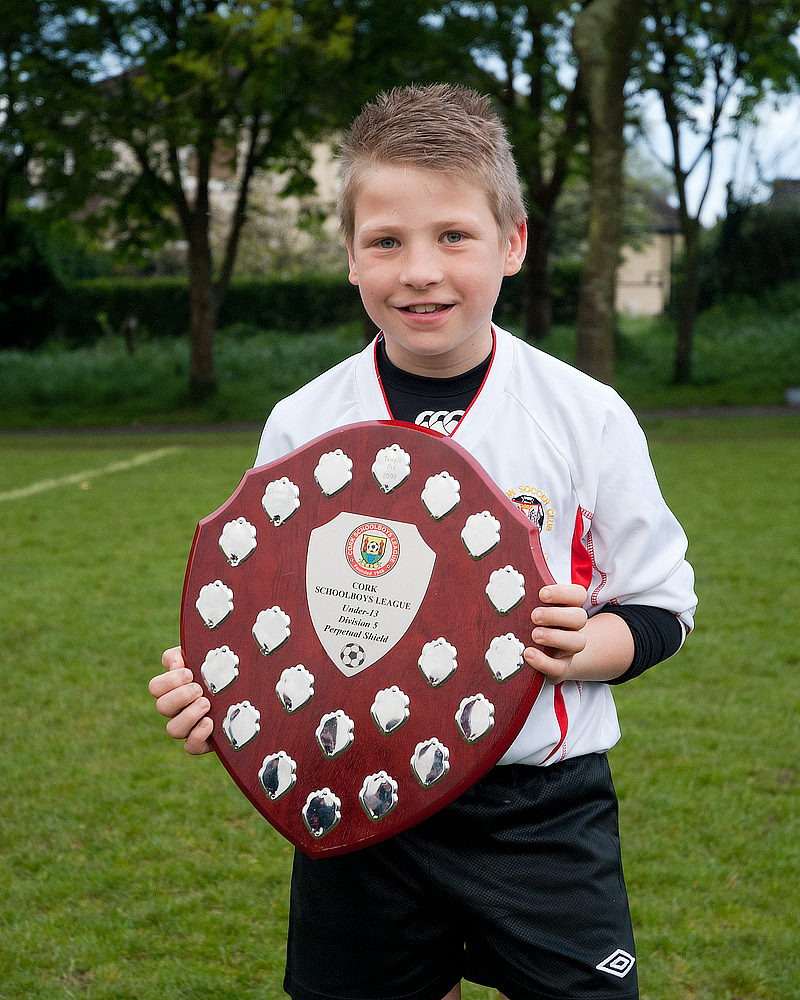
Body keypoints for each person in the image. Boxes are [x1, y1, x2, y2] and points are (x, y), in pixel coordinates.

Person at [150, 84, 696, 1000]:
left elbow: (661, 608)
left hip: (538, 815)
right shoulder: (304, 423)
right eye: (386, 242)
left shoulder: (585, 416)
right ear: (351, 258)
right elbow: (269, 609)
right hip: (356, 797)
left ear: (511, 243)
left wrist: (583, 646)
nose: (419, 271)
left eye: (453, 236)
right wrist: (216, 691)